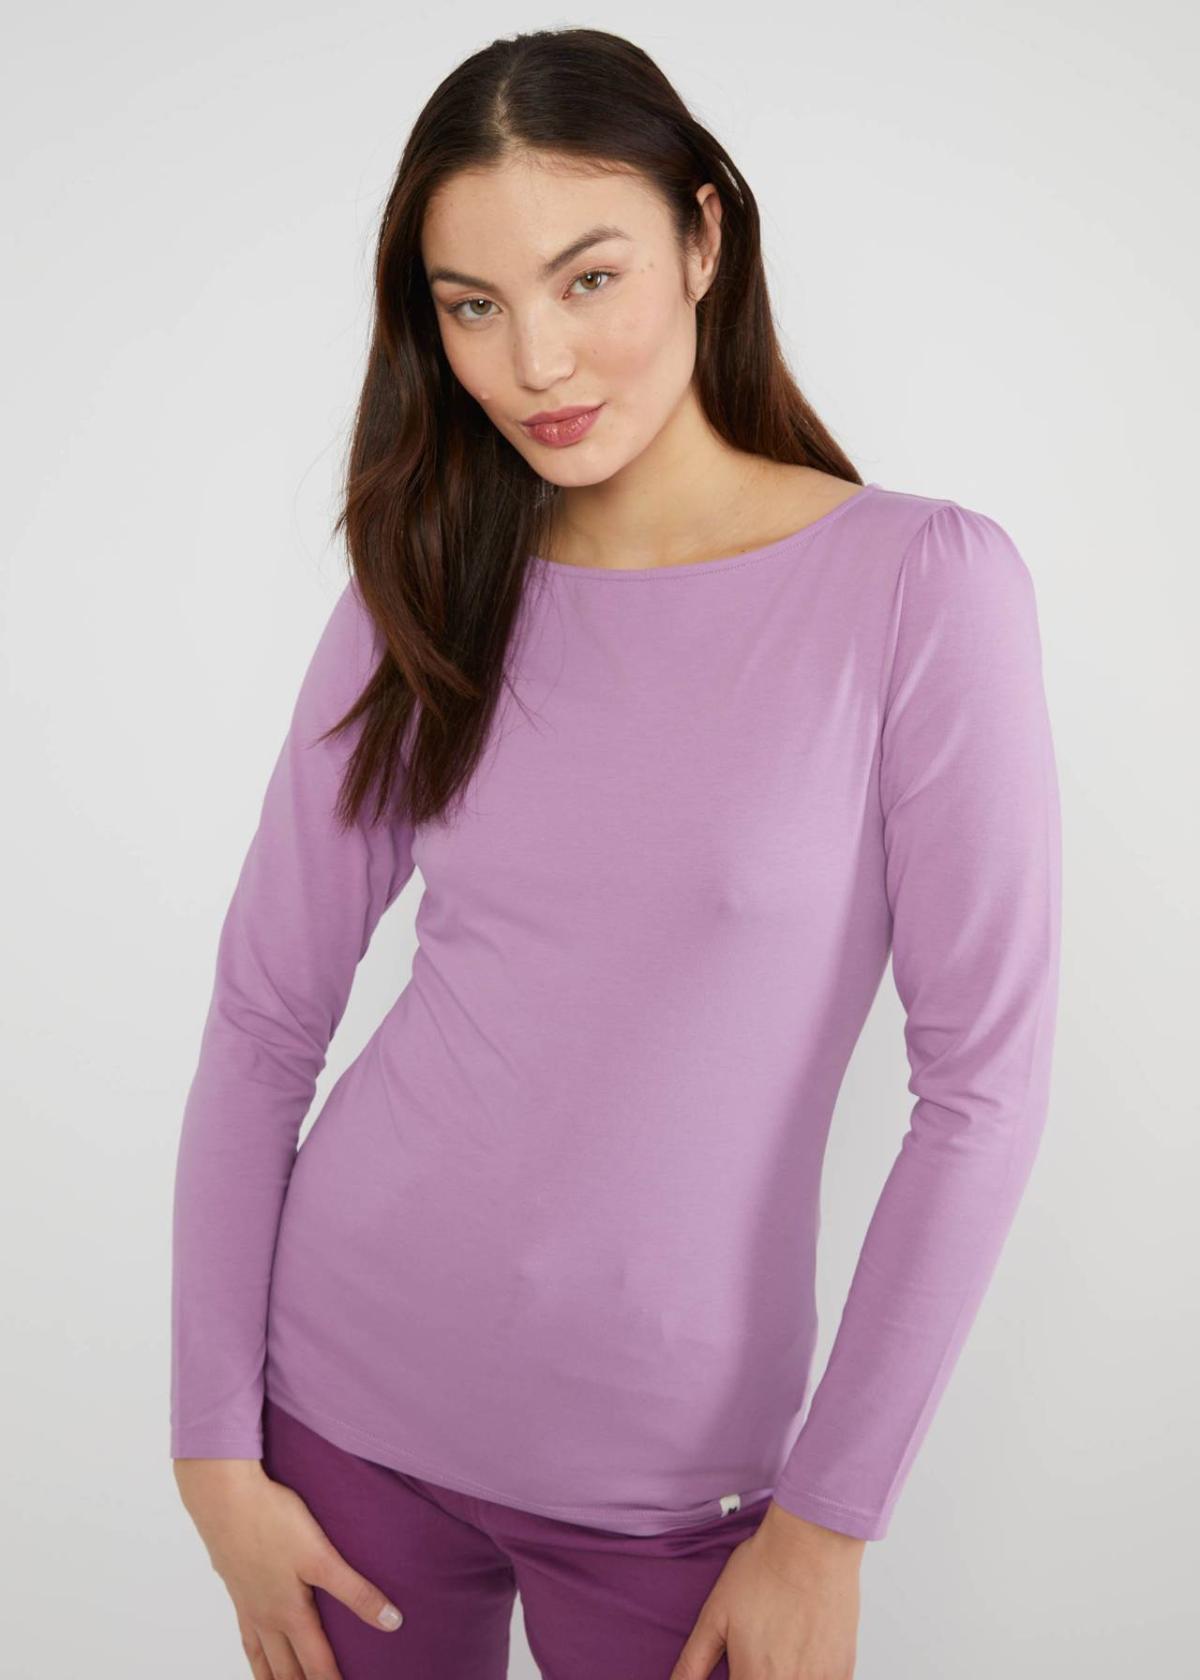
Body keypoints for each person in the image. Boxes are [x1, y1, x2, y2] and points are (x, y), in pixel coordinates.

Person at [170, 25, 1062, 1680]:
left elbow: (982, 1089)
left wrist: (829, 1522)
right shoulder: (426, 578)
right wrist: (213, 1448)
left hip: (683, 1489)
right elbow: (264, 1018)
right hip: (342, 1409)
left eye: (590, 279)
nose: (536, 362)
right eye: (473, 306)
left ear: (704, 237)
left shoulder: (919, 590)